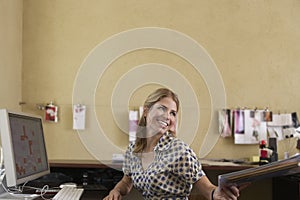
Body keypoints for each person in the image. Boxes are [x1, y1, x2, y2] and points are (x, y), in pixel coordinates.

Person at [103, 88, 240, 200]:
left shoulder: (179, 150)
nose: (168, 116)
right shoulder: (133, 150)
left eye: (173, 113)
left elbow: (206, 188)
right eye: (162, 108)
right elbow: (127, 182)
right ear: (146, 111)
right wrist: (116, 191)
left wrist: (215, 194)